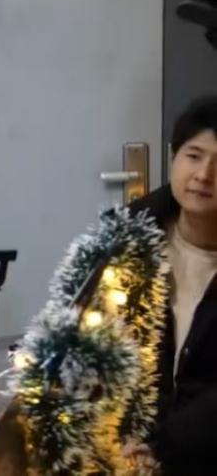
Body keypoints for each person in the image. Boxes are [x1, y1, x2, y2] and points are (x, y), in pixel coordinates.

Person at [127, 95, 217, 475]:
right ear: (173, 157)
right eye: (194, 156)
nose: (204, 174)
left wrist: (162, 447)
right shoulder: (128, 242)